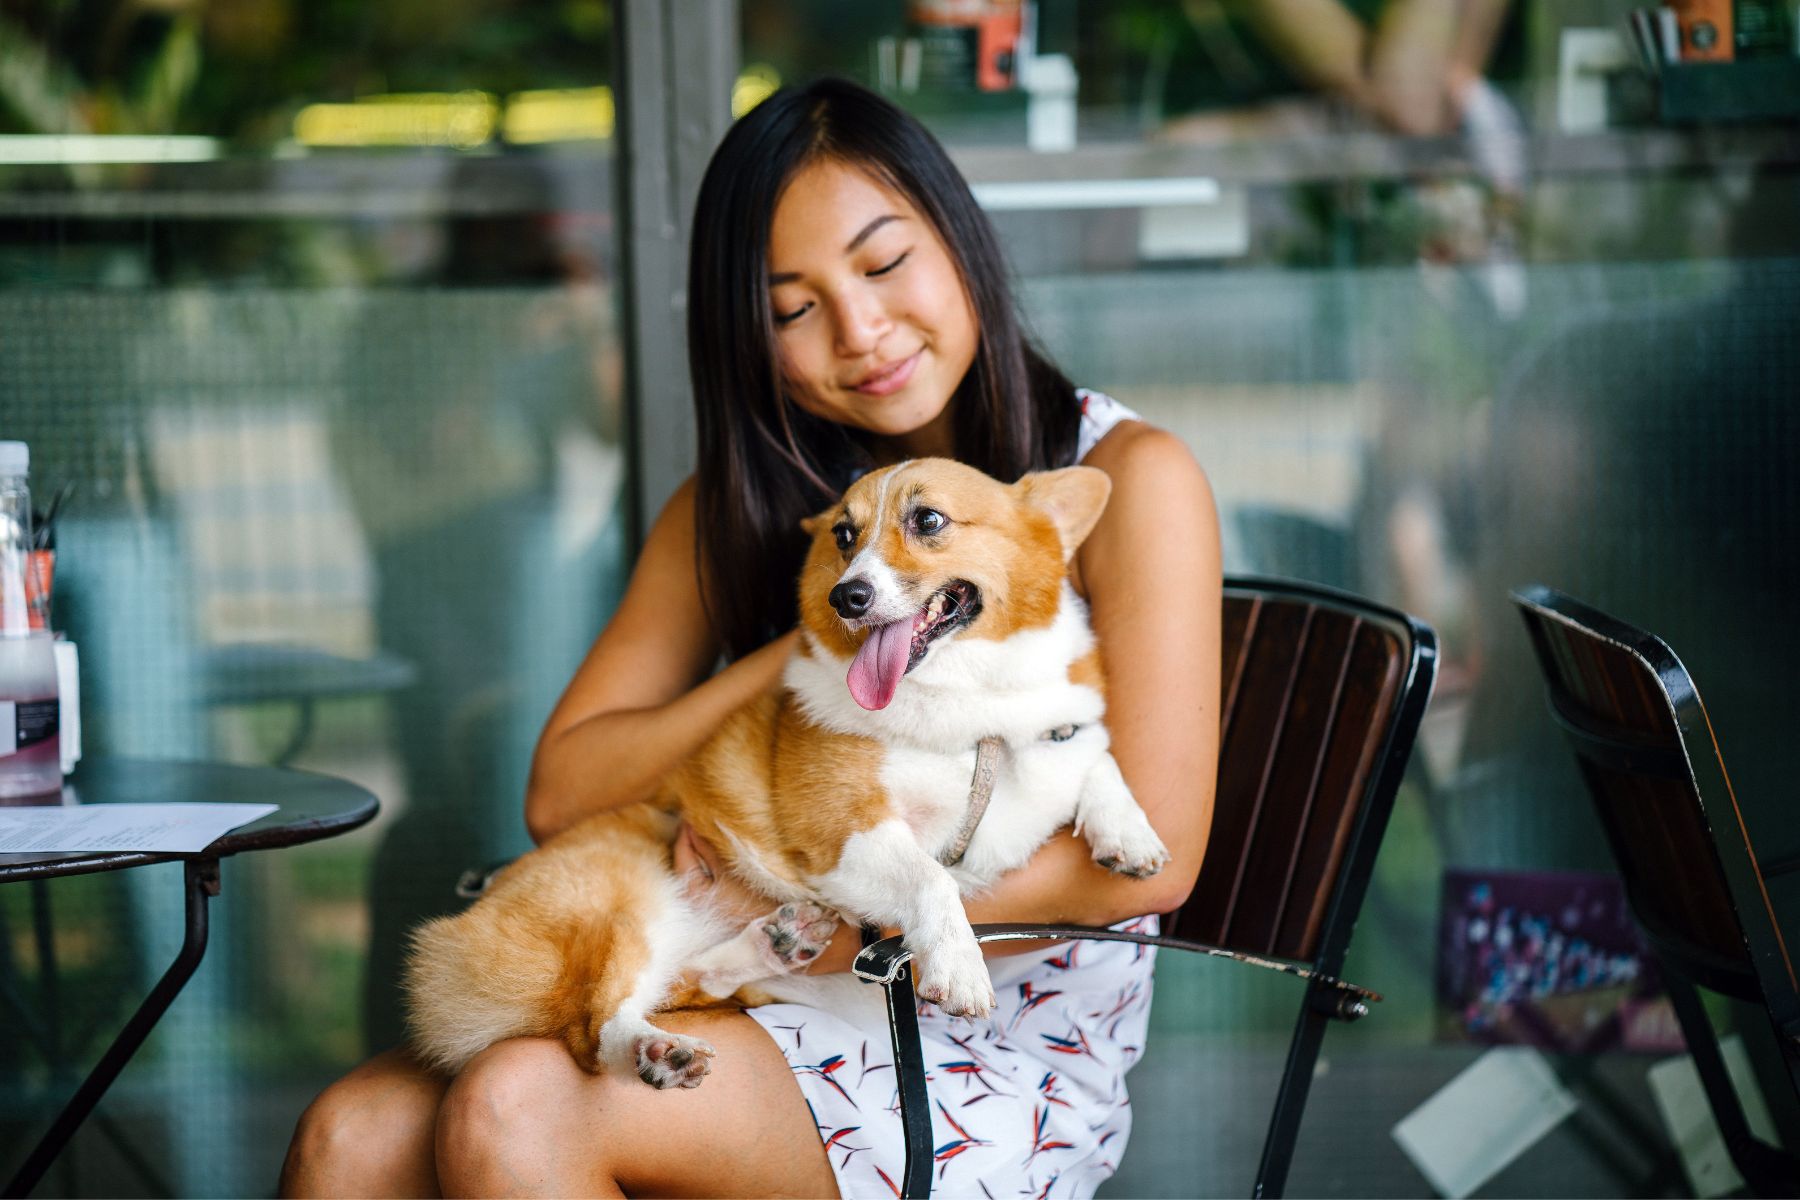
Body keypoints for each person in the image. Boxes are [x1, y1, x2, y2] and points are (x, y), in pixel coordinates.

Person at [280, 77, 1220, 1199]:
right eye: (793, 308)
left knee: (517, 1109)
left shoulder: (1124, 475)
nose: (861, 331)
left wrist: (810, 925)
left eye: (882, 265)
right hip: (747, 980)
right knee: (348, 1134)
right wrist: (834, 634)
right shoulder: (743, 508)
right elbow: (564, 790)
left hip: (986, 1032)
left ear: (960, 239)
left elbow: (1146, 862)